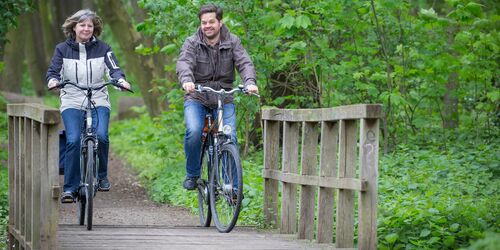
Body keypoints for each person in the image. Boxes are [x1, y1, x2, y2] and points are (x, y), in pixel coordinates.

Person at [46, 9, 131, 203]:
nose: (86, 28)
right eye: (82, 25)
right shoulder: (62, 49)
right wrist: (52, 81)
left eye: (90, 25)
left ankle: (101, 176)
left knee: (101, 135)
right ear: (74, 27)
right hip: (72, 99)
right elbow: (53, 71)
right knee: (73, 140)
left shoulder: (104, 48)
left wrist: (121, 81)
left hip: (98, 97)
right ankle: (69, 188)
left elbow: (114, 70)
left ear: (95, 28)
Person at [176, 4, 259, 190]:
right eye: (204, 23)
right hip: (197, 95)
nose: (207, 26)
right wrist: (187, 81)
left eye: (211, 22)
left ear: (220, 22)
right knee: (195, 131)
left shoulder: (233, 41)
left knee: (230, 136)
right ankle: (193, 174)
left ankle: (233, 189)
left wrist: (250, 82)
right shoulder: (192, 43)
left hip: (223, 97)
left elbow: (245, 63)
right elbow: (184, 63)